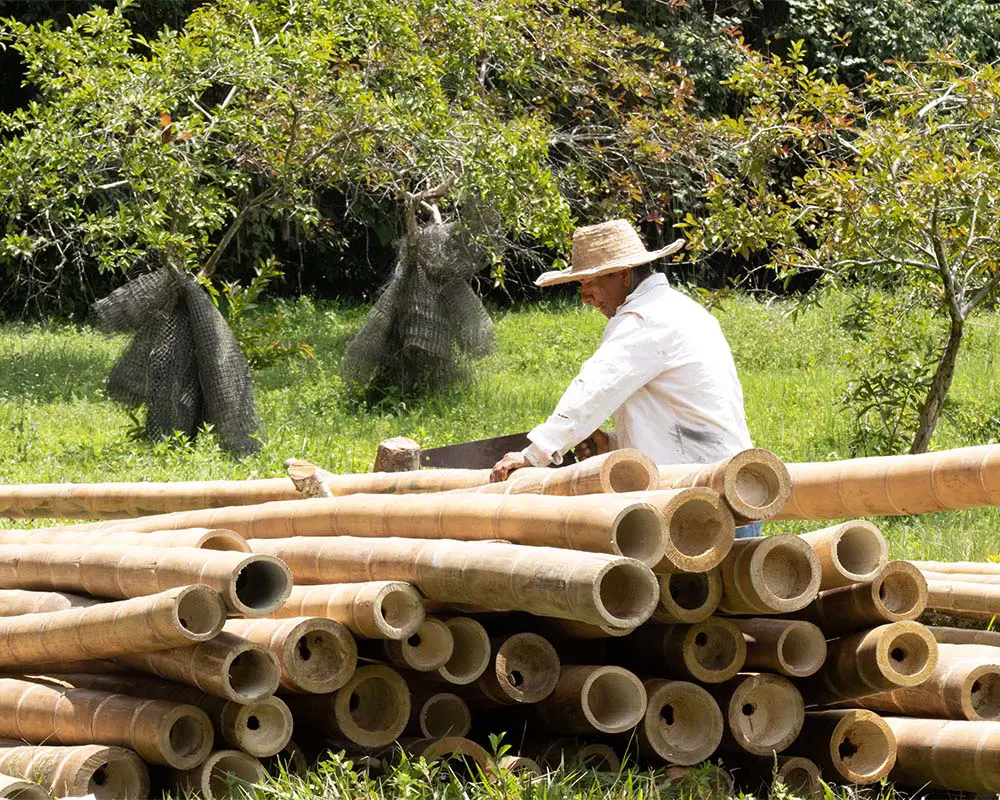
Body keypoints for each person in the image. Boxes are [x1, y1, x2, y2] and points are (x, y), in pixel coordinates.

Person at [489, 218, 762, 537]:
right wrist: (613, 443)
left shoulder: (644, 321)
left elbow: (594, 388)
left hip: (701, 501)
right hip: (730, 491)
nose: (585, 297)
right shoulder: (683, 311)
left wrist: (534, 455)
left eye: (590, 283)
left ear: (623, 275)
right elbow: (682, 417)